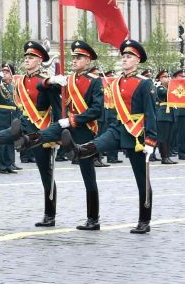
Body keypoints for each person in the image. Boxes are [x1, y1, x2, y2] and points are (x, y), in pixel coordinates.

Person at [62, 39, 157, 234]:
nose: (124, 59)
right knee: (94, 145)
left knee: (142, 179)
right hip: (118, 128)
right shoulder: (116, 82)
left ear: (137, 60)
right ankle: (77, 150)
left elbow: (151, 113)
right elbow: (112, 110)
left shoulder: (144, 83)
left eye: (129, 56)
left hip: (136, 133)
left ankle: (144, 220)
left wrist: (150, 140)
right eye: (123, 56)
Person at [0, 41, 62, 226]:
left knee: (46, 174)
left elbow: (58, 109)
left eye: (31, 57)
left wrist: (57, 134)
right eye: (26, 57)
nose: (27, 60)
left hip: (41, 127)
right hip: (25, 121)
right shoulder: (20, 81)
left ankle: (49, 214)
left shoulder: (47, 82)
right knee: (7, 133)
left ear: (39, 60)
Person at [40, 41, 104, 230]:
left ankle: (93, 219)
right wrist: (50, 80)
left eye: (79, 58)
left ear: (88, 60)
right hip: (66, 125)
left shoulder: (95, 81)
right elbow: (40, 89)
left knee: (88, 175)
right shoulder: (66, 79)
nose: (74, 60)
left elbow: (96, 110)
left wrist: (74, 120)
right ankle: (23, 140)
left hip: (84, 129)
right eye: (74, 57)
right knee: (42, 135)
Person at [155, 71, 175, 165]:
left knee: (168, 137)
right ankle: (164, 157)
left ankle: (167, 156)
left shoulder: (169, 88)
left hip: (169, 114)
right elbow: (167, 94)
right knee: (163, 137)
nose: (167, 78)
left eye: (168, 76)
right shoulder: (159, 88)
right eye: (165, 77)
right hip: (163, 115)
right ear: (160, 79)